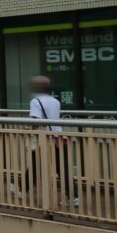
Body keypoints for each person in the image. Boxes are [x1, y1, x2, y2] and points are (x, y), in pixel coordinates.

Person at [26, 75, 79, 206]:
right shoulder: (55, 101)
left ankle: (22, 188)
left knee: (34, 163)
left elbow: (35, 120)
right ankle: (73, 196)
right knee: (62, 167)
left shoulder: (35, 101)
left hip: (43, 139)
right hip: (57, 136)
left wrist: (28, 129)